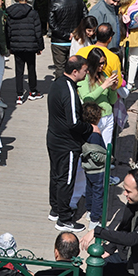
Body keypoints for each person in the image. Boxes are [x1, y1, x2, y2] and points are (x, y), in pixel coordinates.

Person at [47, 55, 92, 232]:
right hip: (67, 143)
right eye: (85, 70)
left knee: (56, 175)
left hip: (53, 138)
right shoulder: (70, 91)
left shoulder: (57, 83)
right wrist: (89, 128)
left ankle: (56, 209)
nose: (87, 73)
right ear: (75, 71)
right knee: (66, 179)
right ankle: (64, 219)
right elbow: (73, 121)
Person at [5, 0, 44, 105]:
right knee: (31, 69)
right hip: (30, 45)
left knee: (19, 70)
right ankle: (33, 91)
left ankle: (19, 95)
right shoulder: (33, 13)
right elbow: (38, 31)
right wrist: (40, 46)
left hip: (16, 45)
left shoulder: (11, 13)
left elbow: (7, 31)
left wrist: (9, 46)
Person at [47, 0, 88, 78]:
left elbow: (52, 24)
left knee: (60, 68)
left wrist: (66, 34)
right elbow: (86, 18)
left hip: (59, 42)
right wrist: (76, 33)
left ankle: (61, 89)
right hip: (76, 40)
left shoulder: (54, 3)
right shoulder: (78, 1)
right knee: (76, 67)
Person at [77, 47, 118, 146]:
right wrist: (104, 86)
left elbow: (112, 101)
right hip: (95, 118)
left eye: (104, 62)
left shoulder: (103, 75)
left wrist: (113, 89)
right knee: (96, 147)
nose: (102, 66)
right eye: (100, 63)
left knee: (107, 148)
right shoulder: (85, 77)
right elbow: (86, 98)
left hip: (108, 115)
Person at [80, 103, 108, 230]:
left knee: (89, 190)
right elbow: (96, 155)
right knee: (98, 193)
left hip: (88, 168)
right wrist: (108, 158)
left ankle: (89, 211)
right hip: (97, 169)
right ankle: (95, 220)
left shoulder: (85, 131)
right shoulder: (95, 135)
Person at [76, 23, 124, 92]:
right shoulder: (114, 58)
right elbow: (118, 83)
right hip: (103, 95)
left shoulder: (81, 51)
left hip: (82, 93)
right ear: (110, 38)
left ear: (95, 34)